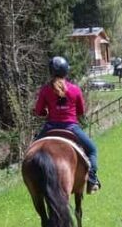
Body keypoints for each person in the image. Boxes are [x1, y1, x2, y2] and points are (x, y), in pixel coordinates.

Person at [34, 56, 101, 192]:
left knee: (31, 152)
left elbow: (39, 111)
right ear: (66, 72)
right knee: (92, 150)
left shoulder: (45, 90)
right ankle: (91, 180)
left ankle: (34, 182)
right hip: (71, 128)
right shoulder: (75, 89)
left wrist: (47, 112)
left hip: (50, 128)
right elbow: (81, 112)